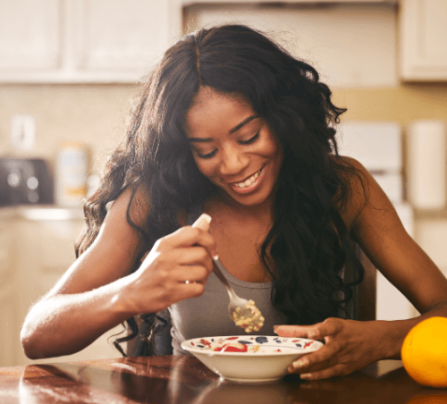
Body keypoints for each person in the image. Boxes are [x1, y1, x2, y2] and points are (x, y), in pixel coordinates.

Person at [21, 24, 447, 380]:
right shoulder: (155, 199)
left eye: (248, 137)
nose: (234, 164)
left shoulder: (344, 187)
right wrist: (131, 290)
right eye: (206, 150)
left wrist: (384, 338)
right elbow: (36, 334)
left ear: (285, 118)